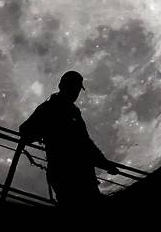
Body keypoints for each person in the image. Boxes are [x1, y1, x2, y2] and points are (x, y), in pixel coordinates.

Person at [19, 70, 119, 207]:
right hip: (71, 175)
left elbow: (85, 143)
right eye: (74, 88)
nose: (76, 93)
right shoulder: (52, 109)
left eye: (77, 89)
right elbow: (85, 144)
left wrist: (105, 164)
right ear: (63, 86)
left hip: (72, 174)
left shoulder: (61, 109)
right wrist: (105, 164)